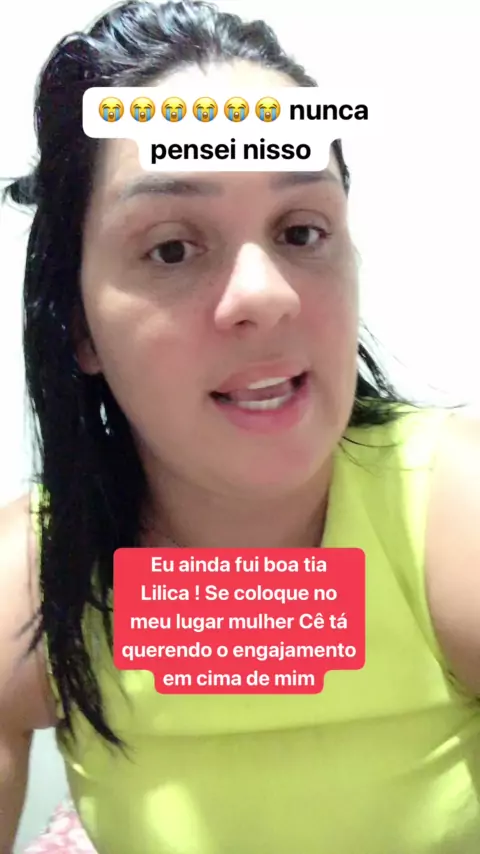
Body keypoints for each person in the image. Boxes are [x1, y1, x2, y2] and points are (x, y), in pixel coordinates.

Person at [1, 1, 480, 852]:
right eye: (172, 249)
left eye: (301, 231)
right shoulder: (36, 582)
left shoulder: (453, 515)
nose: (265, 293)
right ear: (78, 324)